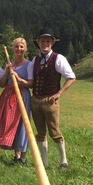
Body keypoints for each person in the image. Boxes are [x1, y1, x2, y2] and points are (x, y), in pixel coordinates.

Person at [31, 27, 76, 169]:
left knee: (54, 131)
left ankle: (64, 161)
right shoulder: (35, 60)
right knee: (40, 132)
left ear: (52, 43)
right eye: (43, 40)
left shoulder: (58, 58)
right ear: (38, 42)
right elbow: (31, 80)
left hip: (50, 101)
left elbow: (71, 77)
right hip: (36, 100)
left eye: (48, 41)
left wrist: (58, 93)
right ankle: (44, 163)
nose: (45, 43)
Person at [0, 38, 34, 164]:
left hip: (22, 95)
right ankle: (3, 153)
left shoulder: (29, 65)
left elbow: (31, 84)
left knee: (22, 124)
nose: (19, 49)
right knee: (2, 123)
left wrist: (19, 78)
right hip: (7, 95)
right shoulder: (9, 64)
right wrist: (7, 70)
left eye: (21, 47)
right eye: (17, 47)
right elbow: (2, 84)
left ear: (25, 49)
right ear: (13, 49)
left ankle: (22, 158)